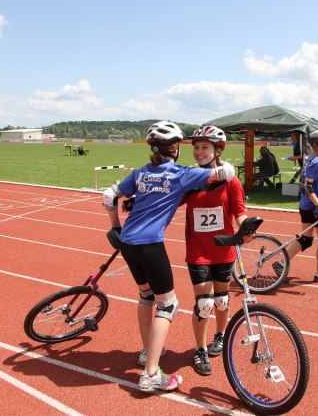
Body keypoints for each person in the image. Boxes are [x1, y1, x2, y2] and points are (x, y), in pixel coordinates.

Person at [102, 121, 236, 392]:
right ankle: (151, 374)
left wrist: (115, 227)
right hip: (150, 244)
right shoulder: (181, 174)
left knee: (146, 295)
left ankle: (146, 352)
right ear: (175, 148)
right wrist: (220, 162)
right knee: (168, 305)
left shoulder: (140, 173)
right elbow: (227, 172)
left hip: (127, 242)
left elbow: (109, 195)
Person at [182, 125, 248, 376]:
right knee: (204, 303)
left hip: (224, 250)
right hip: (198, 251)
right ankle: (200, 349)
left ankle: (220, 335)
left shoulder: (231, 181)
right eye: (196, 147)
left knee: (221, 300)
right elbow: (167, 201)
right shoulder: (190, 179)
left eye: (205, 147)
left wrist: (246, 228)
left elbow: (239, 212)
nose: (199, 151)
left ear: (217, 150)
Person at [273, 128, 318, 282]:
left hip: (306, 205)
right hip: (315, 206)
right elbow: (308, 187)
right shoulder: (317, 162)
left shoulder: (310, 159)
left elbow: (317, 184)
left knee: (306, 239)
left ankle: (281, 264)